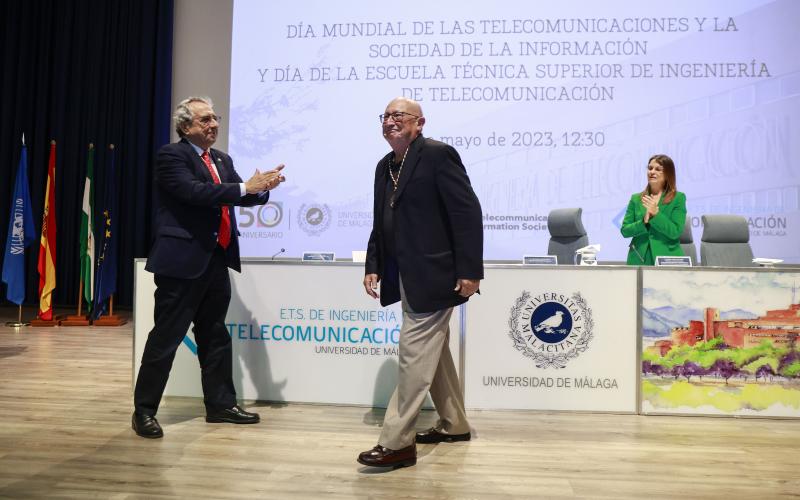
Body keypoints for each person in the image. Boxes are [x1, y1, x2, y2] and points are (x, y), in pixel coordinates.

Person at [132, 96, 285, 438]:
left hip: (217, 259)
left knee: (215, 334)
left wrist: (262, 190)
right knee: (165, 338)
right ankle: (144, 411)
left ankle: (220, 405)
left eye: (215, 118)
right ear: (186, 127)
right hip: (182, 262)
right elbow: (194, 192)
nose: (214, 124)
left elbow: (239, 195)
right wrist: (247, 187)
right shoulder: (172, 155)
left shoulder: (221, 159)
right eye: (205, 120)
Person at [357, 97, 483, 469]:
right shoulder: (384, 166)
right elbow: (381, 221)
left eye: (399, 115)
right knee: (433, 353)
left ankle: (397, 442)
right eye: (386, 116)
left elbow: (466, 213)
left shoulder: (439, 155)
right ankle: (455, 423)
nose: (390, 121)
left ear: (420, 123)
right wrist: (373, 264)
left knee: (413, 354)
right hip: (405, 275)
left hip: (437, 274)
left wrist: (470, 270)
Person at [621, 154, 687, 265]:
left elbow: (675, 232)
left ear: (667, 174)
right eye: (650, 168)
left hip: (667, 259)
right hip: (639, 258)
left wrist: (656, 215)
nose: (652, 172)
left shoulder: (678, 198)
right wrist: (644, 222)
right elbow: (625, 231)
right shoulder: (636, 199)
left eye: (658, 169)